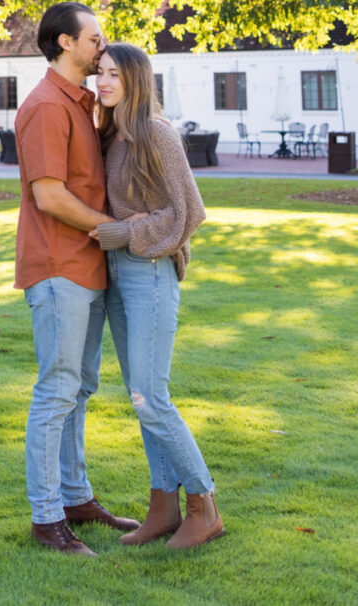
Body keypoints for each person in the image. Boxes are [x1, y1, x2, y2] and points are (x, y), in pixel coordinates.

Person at [13, 0, 140, 555]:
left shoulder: (81, 103)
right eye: (94, 39)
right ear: (65, 43)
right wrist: (118, 230)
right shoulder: (47, 105)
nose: (102, 47)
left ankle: (76, 498)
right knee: (57, 391)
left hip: (87, 268)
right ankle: (47, 519)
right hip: (58, 267)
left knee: (79, 389)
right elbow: (50, 196)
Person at [90, 43, 223, 548]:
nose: (103, 82)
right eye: (100, 73)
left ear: (136, 81)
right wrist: (124, 229)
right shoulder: (114, 136)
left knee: (151, 397)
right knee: (139, 396)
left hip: (149, 273)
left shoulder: (156, 134)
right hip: (118, 275)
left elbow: (189, 211)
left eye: (114, 75)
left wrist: (126, 232)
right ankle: (163, 507)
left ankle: (204, 505)